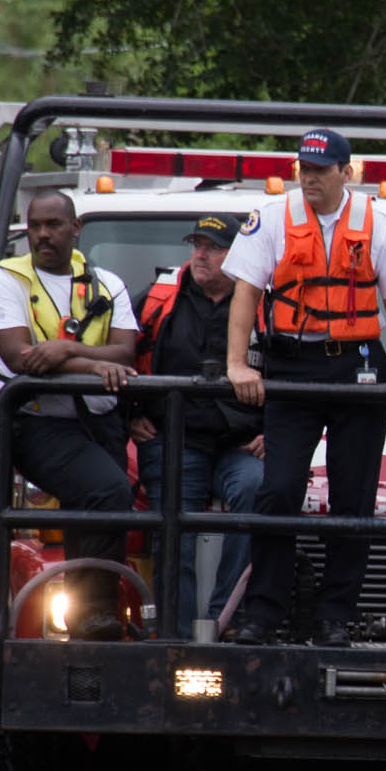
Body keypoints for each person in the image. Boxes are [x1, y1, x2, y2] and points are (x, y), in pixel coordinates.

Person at [221, 127, 386, 646]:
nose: (309, 178)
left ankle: (337, 615)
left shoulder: (379, 223)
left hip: (357, 367)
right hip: (292, 366)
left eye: (320, 169)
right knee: (279, 489)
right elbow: (245, 293)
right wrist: (237, 365)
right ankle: (264, 612)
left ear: (346, 172)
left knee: (353, 496)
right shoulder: (271, 218)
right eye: (303, 168)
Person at [0, 187, 140, 637]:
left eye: (53, 225)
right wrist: (91, 361)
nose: (42, 236)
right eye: (35, 226)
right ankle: (94, 614)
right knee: (107, 492)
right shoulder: (3, 279)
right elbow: (19, 357)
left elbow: (125, 353)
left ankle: (145, 614)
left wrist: (63, 349)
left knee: (122, 501)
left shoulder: (109, 284)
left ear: (75, 229)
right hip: (39, 422)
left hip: (104, 420)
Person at [130, 213, 266, 638]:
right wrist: (129, 413)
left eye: (213, 246)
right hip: (174, 439)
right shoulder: (158, 298)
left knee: (258, 489)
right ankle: (177, 638)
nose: (200, 254)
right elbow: (118, 354)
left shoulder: (269, 306)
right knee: (173, 524)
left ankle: (226, 623)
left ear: (239, 254)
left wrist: (275, 433)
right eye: (197, 244)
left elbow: (298, 373)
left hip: (240, 445)